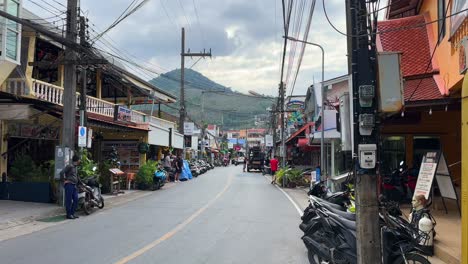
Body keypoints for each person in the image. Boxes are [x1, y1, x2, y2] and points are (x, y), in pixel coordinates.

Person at [60, 155, 81, 220]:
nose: (80, 161)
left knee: (76, 199)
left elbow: (76, 177)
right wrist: (64, 181)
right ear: (77, 160)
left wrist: (80, 183)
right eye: (79, 160)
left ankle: (72, 213)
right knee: (68, 200)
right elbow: (61, 172)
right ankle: (69, 215)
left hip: (74, 185)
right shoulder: (70, 166)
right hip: (69, 185)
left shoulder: (75, 167)